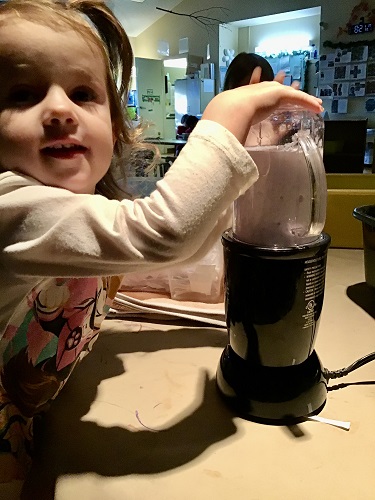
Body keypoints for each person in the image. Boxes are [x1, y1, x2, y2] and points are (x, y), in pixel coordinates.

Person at [0, 0, 323, 484]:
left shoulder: (80, 210)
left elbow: (186, 247)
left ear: (113, 125)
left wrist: (248, 146)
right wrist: (222, 120)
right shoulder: (12, 208)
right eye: (24, 94)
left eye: (83, 92)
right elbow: (166, 234)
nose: (59, 109)